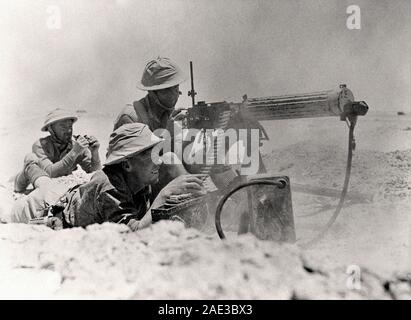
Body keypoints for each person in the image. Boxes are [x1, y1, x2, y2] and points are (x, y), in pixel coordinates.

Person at [7, 123, 205, 231]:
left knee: (44, 182)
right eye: (149, 155)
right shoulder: (109, 188)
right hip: (45, 206)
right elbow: (131, 232)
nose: (158, 161)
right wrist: (164, 195)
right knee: (8, 215)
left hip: (67, 192)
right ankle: (27, 168)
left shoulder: (137, 177)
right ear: (127, 164)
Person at [14, 108, 101, 192]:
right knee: (30, 158)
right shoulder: (40, 145)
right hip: (25, 180)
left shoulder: (75, 145)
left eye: (70, 126)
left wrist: (95, 152)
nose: (69, 130)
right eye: (63, 127)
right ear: (51, 129)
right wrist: (74, 152)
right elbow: (50, 173)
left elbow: (94, 172)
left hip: (52, 185)